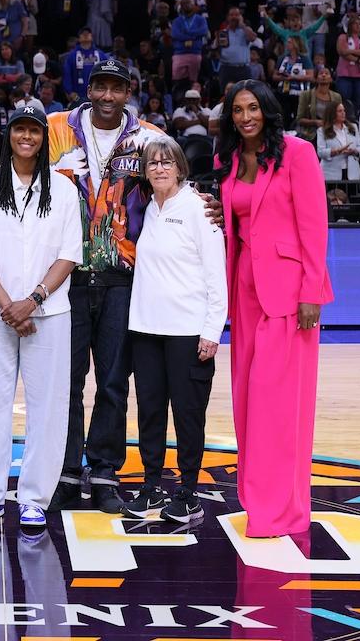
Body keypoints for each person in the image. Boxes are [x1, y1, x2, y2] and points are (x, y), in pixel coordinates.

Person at [46, 58, 168, 514]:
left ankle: (103, 471)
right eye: (100, 86)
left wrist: (203, 202)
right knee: (67, 382)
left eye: (117, 88)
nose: (107, 96)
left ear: (128, 91)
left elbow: (172, 188)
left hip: (122, 277)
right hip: (67, 275)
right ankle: (65, 470)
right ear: (89, 87)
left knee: (114, 381)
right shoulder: (55, 128)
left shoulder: (151, 137)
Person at [0, 103, 82, 528]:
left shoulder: (63, 190)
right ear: (8, 135)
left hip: (49, 312)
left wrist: (34, 299)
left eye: (35, 131)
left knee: (49, 405)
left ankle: (33, 498)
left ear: (45, 138)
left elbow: (69, 256)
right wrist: (11, 305)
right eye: (20, 129)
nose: (27, 137)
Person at [216, 80, 332, 537]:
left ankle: (283, 511)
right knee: (247, 402)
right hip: (244, 289)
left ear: (267, 110)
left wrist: (311, 291)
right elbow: (234, 218)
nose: (246, 117)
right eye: (237, 110)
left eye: (253, 108)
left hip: (288, 293)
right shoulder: (226, 159)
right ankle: (256, 501)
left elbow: (314, 225)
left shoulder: (297, 154)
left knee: (280, 405)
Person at [123, 136, 227, 524]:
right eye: (152, 164)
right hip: (147, 330)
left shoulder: (200, 209)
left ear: (181, 168)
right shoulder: (148, 208)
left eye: (167, 162)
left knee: (187, 415)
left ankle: (188, 493)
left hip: (188, 331)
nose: (160, 168)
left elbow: (217, 274)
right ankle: (150, 486)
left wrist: (212, 330)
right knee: (150, 412)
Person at [334, 16, 360, 113]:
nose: (358, 26)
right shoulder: (342, 37)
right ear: (350, 25)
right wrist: (358, 60)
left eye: (359, 24)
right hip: (345, 73)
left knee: (359, 100)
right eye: (355, 23)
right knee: (345, 98)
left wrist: (351, 51)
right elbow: (341, 51)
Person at [316, 103, 360, 181]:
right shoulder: (322, 131)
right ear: (332, 114)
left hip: (352, 173)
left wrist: (354, 151)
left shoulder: (353, 127)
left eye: (344, 110)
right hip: (330, 174)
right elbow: (321, 152)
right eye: (339, 111)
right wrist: (337, 151)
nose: (343, 113)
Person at [295, 69, 342, 144]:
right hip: (312, 134)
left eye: (326, 73)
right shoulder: (306, 95)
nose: (323, 75)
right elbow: (299, 119)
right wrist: (315, 122)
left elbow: (340, 117)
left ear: (331, 79)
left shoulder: (337, 97)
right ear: (316, 79)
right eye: (321, 73)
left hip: (332, 132)